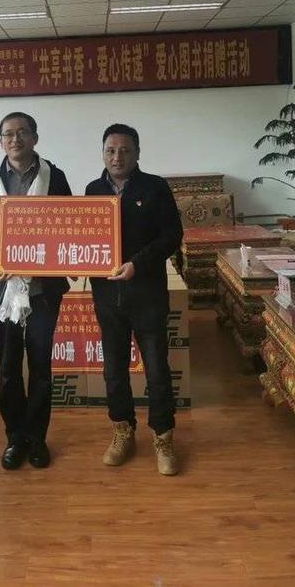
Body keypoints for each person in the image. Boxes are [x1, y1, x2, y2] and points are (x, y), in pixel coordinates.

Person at [0, 112, 71, 471]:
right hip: (2, 290)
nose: (16, 139)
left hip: (42, 291)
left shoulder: (55, 178)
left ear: (35, 138)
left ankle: (37, 439)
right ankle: (15, 438)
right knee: (8, 368)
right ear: (1, 142)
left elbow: (69, 223)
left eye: (23, 132)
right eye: (8, 134)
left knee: (41, 367)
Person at [85, 124, 183, 475]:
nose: (117, 157)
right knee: (113, 370)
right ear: (102, 153)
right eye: (110, 150)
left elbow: (172, 235)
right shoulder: (93, 191)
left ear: (137, 153)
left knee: (156, 370)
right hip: (107, 296)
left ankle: (163, 437)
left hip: (147, 293)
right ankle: (122, 430)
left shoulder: (155, 187)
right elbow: (84, 237)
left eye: (125, 150)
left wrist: (137, 264)